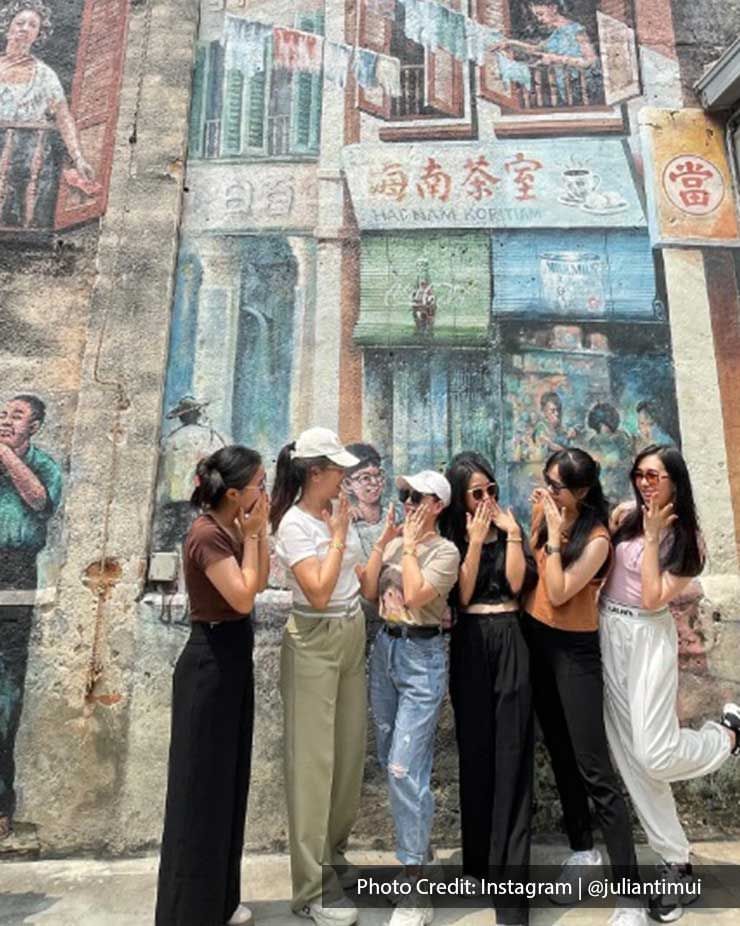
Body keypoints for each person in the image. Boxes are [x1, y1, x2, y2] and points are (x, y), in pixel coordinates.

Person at [600, 444, 740, 923]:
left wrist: (656, 532)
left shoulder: (687, 540)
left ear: (675, 480)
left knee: (656, 754)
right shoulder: (624, 517)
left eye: (654, 476)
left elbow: (656, 597)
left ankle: (725, 735)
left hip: (646, 638)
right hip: (606, 632)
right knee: (631, 759)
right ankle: (676, 857)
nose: (644, 483)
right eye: (639, 474)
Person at [522, 448, 646, 926]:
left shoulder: (596, 539)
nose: (547, 491)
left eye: (556, 485)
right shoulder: (550, 516)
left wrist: (553, 536)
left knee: (595, 769)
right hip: (537, 642)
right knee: (559, 754)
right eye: (546, 481)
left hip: (574, 653)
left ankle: (630, 896)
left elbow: (557, 591)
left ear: (581, 490)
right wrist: (541, 524)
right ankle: (583, 852)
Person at [156, 445, 270, 926]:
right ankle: (188, 911)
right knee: (197, 789)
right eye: (259, 485)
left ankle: (219, 899)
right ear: (236, 492)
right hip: (208, 664)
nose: (264, 492)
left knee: (227, 784)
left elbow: (259, 581)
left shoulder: (232, 530)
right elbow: (242, 597)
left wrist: (258, 536)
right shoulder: (206, 535)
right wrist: (253, 536)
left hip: (231, 659)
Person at [271, 428, 367, 926]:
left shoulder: (334, 515)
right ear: (314, 472)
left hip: (351, 633)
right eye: (336, 471)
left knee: (348, 758)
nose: (343, 478)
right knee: (312, 765)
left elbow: (356, 577)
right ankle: (310, 890)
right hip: (314, 639)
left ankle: (333, 858)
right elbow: (319, 591)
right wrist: (335, 537)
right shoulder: (294, 525)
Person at [440, 452, 537, 926]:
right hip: (470, 644)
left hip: (511, 638)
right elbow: (461, 596)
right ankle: (479, 863)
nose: (486, 499)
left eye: (491, 489)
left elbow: (517, 586)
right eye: (476, 492)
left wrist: (512, 532)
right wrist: (474, 544)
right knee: (476, 753)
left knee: (513, 758)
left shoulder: (509, 528)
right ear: (460, 497)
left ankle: (512, 894)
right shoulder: (453, 537)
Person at [361, 470, 460, 926]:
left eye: (416, 496)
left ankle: (415, 884)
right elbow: (368, 592)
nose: (407, 501)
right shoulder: (399, 544)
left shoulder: (445, 551)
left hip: (422, 656)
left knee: (404, 767)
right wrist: (386, 539)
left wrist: (414, 544)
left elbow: (419, 595)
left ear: (437, 505)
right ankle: (419, 855)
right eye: (405, 495)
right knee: (392, 760)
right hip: (386, 650)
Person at [0, 393, 62, 840]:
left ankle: (2, 807)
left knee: (5, 698)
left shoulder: (44, 464)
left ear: (34, 426)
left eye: (16, 416)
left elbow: (39, 501)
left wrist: (4, 455)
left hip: (15, 574)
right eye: (3, 414)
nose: (6, 421)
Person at [0, 0, 96, 229]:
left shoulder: (45, 75)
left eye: (32, 25)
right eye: (20, 23)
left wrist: (78, 157)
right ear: (8, 27)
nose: (24, 28)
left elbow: (63, 116)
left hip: (25, 161)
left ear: (38, 34)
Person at [155, 395, 227, 550]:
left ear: (182, 417)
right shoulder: (210, 437)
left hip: (173, 499)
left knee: (173, 542)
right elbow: (222, 465)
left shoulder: (170, 439)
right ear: (197, 414)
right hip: (199, 499)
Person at [586, 402, 634, 503]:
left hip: (620, 490)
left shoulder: (621, 439)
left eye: (607, 425)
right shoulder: (593, 442)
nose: (606, 429)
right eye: (602, 425)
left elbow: (627, 464)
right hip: (600, 493)